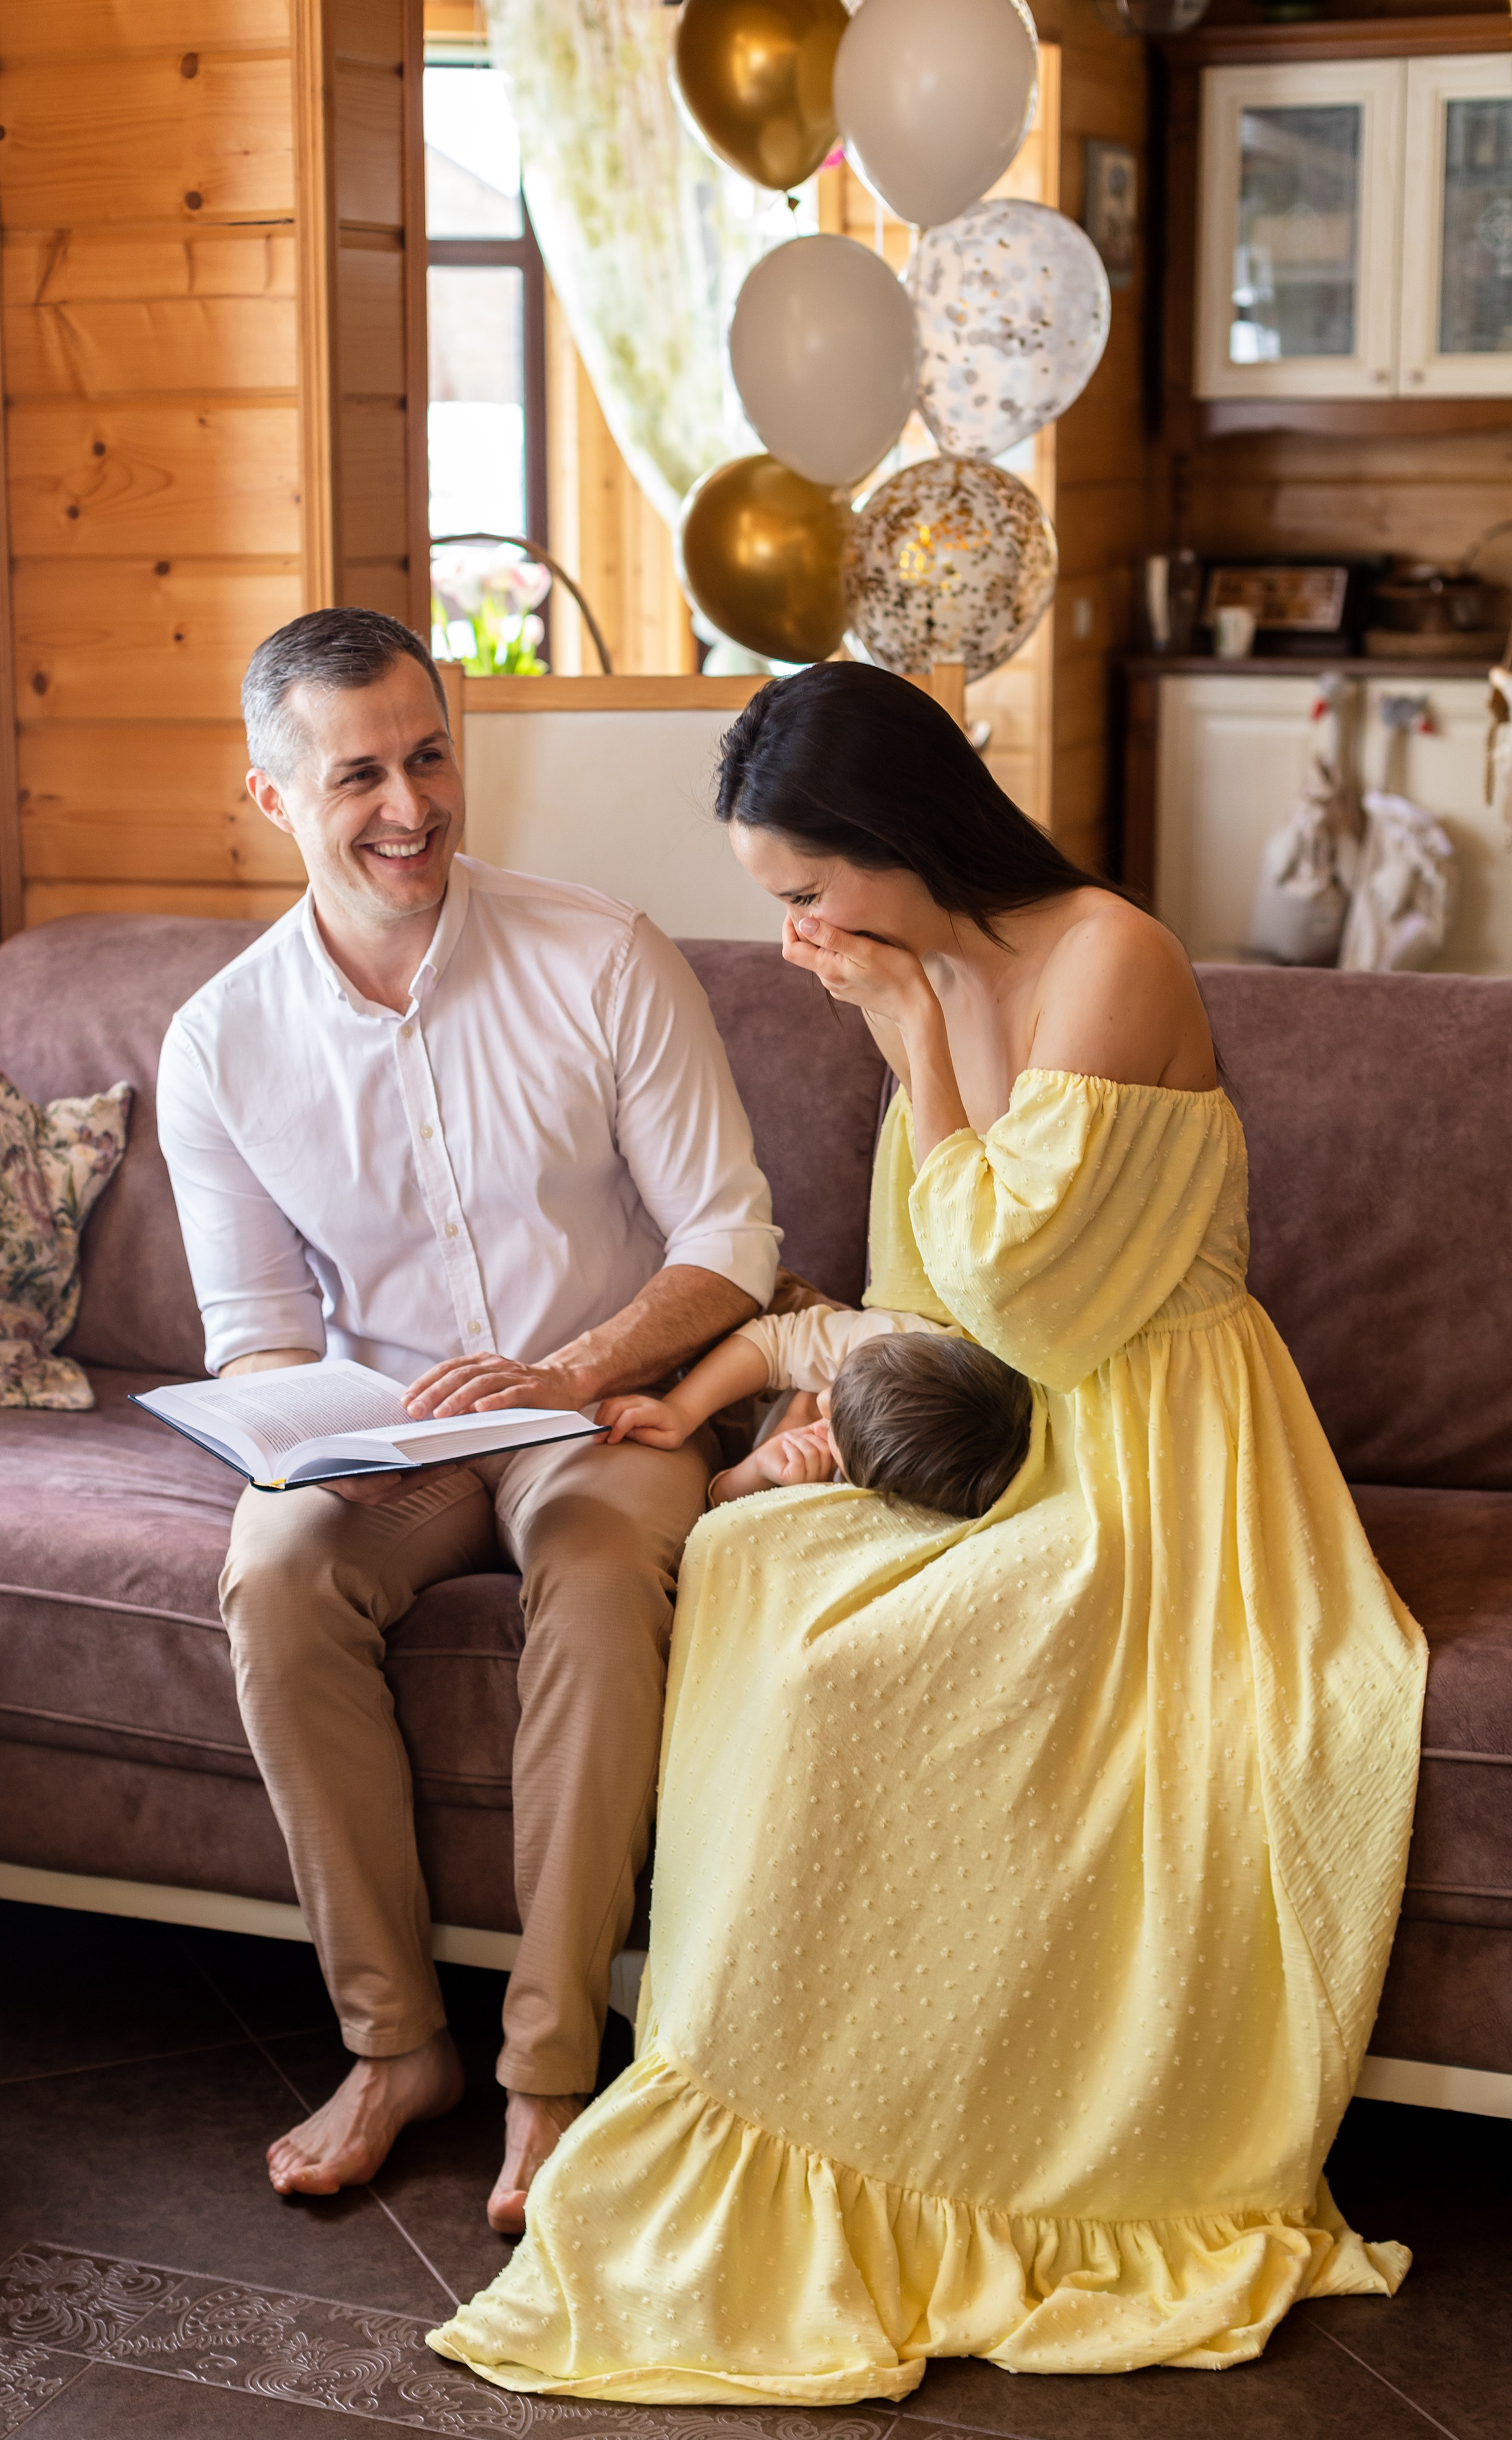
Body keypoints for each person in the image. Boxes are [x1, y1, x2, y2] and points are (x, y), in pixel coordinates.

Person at [431, 659, 1427, 2396]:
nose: (802, 934)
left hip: (1154, 1451)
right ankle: (731, 2085)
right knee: (749, 1565)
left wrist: (911, 1034)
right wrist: (793, 1419)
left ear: (894, 833)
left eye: (810, 889)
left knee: (871, 1673)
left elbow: (1029, 1296)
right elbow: (927, 1291)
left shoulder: (1109, 958)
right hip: (999, 1425)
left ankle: (932, 2145)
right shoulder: (921, 965)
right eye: (780, 903)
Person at [155, 607, 780, 2232]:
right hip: (390, 1434)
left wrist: (567, 1376)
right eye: (357, 773)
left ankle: (547, 2071)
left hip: (603, 1407)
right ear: (273, 796)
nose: (409, 805)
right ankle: (393, 2049)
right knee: (273, 1570)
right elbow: (257, 1334)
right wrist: (311, 1435)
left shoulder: (602, 954)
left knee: (597, 1567)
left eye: (428, 756)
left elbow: (729, 1239)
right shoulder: (219, 1041)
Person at [600, 1304, 1033, 1521]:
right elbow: (777, 1340)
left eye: (833, 1425)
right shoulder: (894, 1343)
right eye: (836, 1391)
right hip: (766, 1355)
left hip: (759, 1437)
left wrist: (760, 1467)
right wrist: (680, 1409)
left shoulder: (872, 1497)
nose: (823, 1401)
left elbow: (718, 1512)